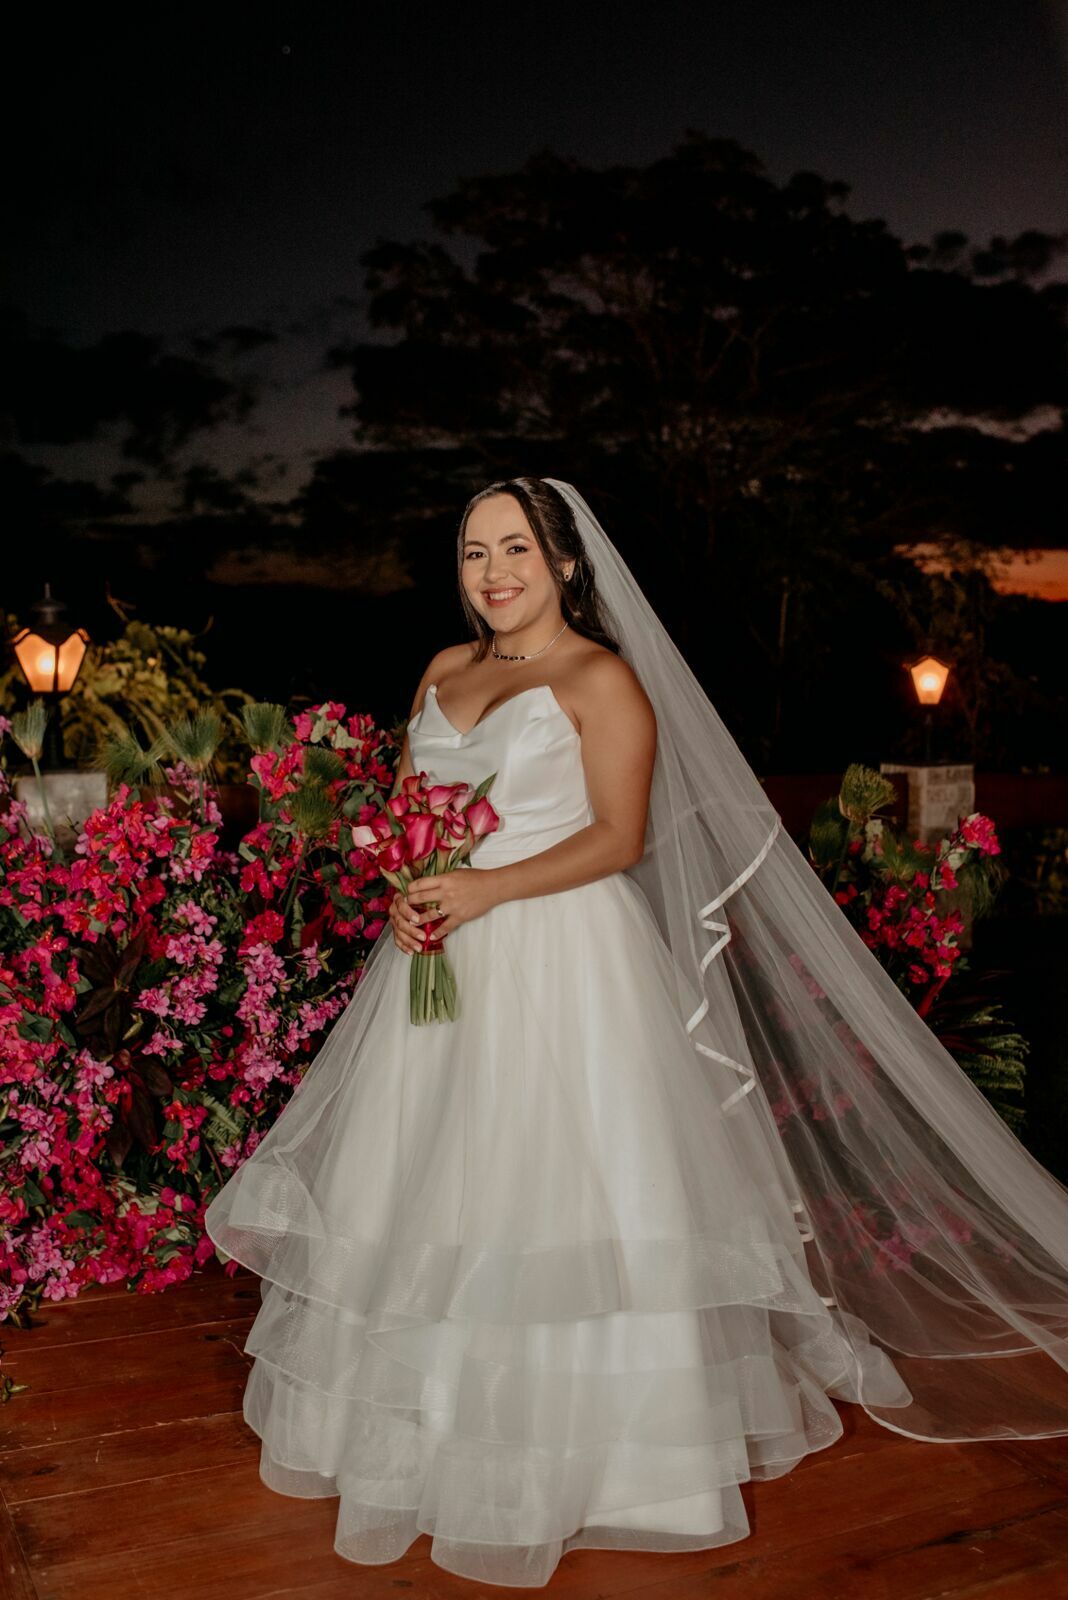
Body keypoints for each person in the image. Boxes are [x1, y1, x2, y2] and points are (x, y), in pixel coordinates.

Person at [204, 477, 1068, 1589]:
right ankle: (414, 1430)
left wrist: (487, 887)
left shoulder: (600, 678)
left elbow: (616, 836)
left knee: (559, 1186)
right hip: (436, 964)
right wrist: (409, 888)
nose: (493, 570)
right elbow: (411, 819)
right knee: (424, 1182)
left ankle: (598, 1458)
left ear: (565, 563)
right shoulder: (442, 671)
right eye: (473, 551)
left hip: (563, 958)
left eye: (516, 547)